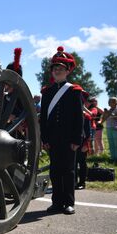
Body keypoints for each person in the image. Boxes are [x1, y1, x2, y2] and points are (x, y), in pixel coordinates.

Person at [40, 46, 83, 215]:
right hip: (53, 138)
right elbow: (43, 117)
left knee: (69, 171)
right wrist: (45, 138)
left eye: (61, 69)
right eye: (55, 68)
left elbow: (79, 117)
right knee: (55, 171)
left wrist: (77, 139)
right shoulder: (47, 91)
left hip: (68, 138)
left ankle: (69, 202)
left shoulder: (74, 91)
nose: (57, 71)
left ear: (67, 71)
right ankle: (56, 202)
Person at [76, 92, 92, 190]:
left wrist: (86, 144)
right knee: (73, 163)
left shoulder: (85, 116)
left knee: (82, 163)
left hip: (82, 142)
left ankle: (82, 182)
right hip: (72, 141)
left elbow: (88, 133)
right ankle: (73, 182)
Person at [102, 97, 117, 162]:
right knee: (111, 143)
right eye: (109, 101)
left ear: (116, 102)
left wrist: (109, 114)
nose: (109, 103)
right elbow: (104, 118)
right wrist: (104, 116)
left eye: (111, 101)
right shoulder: (109, 109)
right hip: (109, 128)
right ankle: (112, 157)